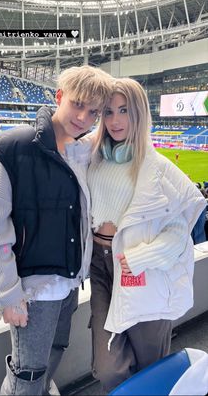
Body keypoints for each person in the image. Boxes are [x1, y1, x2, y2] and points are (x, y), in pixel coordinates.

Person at [0, 65, 113, 395]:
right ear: (59, 96)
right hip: (33, 295)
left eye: (93, 112)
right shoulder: (16, 148)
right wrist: (7, 295)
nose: (82, 117)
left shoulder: (79, 155)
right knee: (28, 375)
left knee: (52, 357)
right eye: (77, 104)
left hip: (67, 287)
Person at [86, 77, 207, 392]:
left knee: (151, 364)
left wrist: (141, 258)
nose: (114, 120)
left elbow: (181, 234)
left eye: (123, 110)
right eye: (108, 112)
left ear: (138, 113)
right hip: (101, 269)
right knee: (107, 369)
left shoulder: (159, 168)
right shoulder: (94, 159)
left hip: (143, 272)